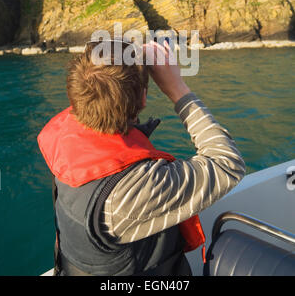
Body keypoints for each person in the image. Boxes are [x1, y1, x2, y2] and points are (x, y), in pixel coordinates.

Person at [37, 38, 245, 276]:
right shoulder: (137, 189)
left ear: (75, 94)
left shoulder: (65, 143)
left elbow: (102, 91)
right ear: (144, 99)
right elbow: (228, 164)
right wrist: (177, 89)